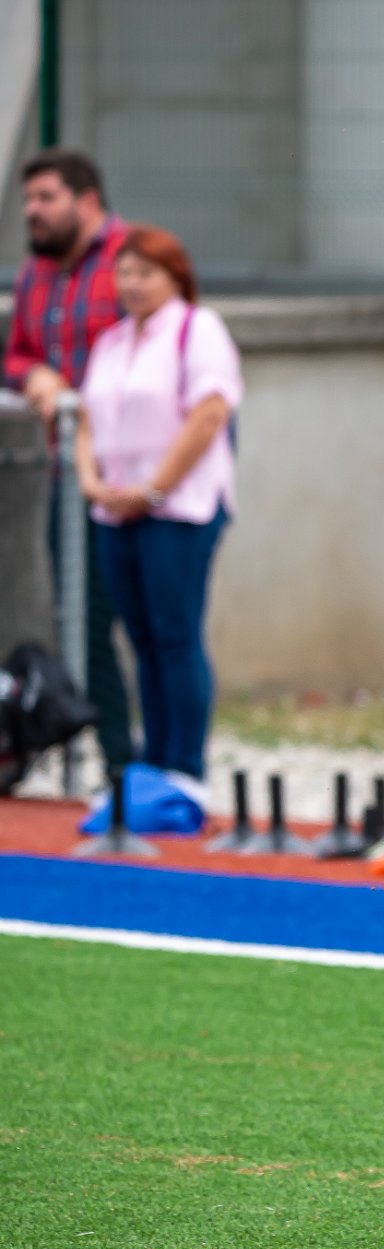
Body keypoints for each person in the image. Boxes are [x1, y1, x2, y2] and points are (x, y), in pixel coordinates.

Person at [71, 225, 240, 788]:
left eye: (146, 273)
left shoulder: (198, 329)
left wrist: (154, 489)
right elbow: (88, 418)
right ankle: (153, 760)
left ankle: (185, 767)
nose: (133, 284)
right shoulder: (113, 341)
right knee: (139, 636)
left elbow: (209, 414)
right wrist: (93, 482)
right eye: (125, 273)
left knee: (175, 631)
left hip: (178, 510)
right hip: (115, 511)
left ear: (175, 277)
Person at [4, 148, 136, 780]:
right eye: (29, 200)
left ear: (87, 201)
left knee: (144, 623)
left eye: (46, 198)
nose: (33, 211)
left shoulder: (131, 260)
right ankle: (115, 766)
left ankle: (158, 767)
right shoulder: (36, 273)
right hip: (66, 478)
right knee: (79, 619)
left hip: (132, 478)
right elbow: (17, 353)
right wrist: (35, 374)